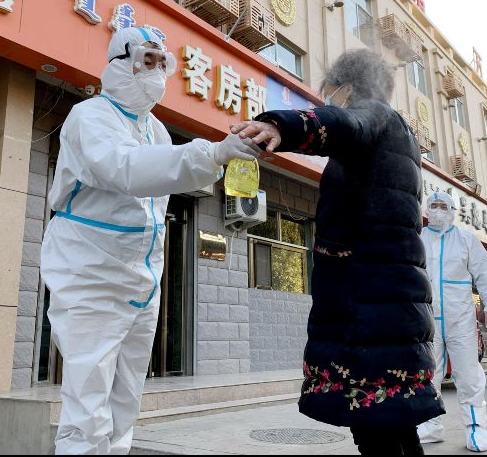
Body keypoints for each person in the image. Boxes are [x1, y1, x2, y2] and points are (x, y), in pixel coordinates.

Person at [40, 27, 257, 455]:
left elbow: (157, 194)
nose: (156, 72)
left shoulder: (155, 129)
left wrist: (215, 161)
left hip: (142, 278)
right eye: (147, 61)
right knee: (88, 398)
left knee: (126, 394)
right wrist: (211, 154)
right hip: (90, 271)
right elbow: (124, 168)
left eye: (163, 63)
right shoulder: (91, 116)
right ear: (121, 61)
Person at [231, 49, 445, 456]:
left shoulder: (372, 114)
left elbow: (343, 123)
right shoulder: (401, 139)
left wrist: (283, 125)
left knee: (373, 428)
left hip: (364, 303)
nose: (325, 99)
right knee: (394, 421)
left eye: (328, 91)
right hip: (388, 301)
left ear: (348, 87)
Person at [417, 191, 487, 452]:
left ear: (453, 210)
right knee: (428, 374)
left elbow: (485, 273)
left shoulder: (466, 240)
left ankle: (476, 428)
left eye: (444, 206)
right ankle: (429, 425)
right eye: (434, 206)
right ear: (426, 209)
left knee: (468, 374)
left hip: (460, 318)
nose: (438, 210)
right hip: (426, 319)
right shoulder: (417, 239)